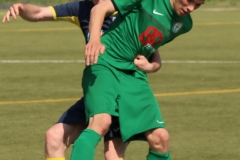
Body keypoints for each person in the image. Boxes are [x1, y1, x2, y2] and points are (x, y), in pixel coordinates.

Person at [2, 1, 162, 160]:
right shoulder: (81, 8)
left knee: (112, 154)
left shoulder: (130, 7)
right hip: (98, 88)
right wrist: (22, 8)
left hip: (124, 90)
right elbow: (38, 13)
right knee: (54, 138)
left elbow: (153, 49)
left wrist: (152, 65)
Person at [70, 0, 205, 160]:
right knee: (101, 122)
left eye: (197, 5)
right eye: (189, 1)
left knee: (161, 138)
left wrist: (153, 66)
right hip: (106, 62)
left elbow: (152, 44)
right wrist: (94, 40)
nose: (190, 8)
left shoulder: (184, 24)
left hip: (134, 74)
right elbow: (98, 9)